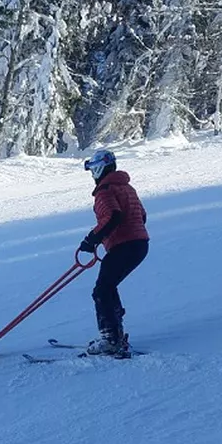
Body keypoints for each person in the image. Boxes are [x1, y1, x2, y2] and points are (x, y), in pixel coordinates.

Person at [77, 150, 149, 357]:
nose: (92, 175)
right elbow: (141, 216)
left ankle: (110, 339)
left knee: (102, 290)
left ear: (99, 169)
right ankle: (115, 333)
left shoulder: (105, 191)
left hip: (125, 246)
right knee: (107, 287)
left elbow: (112, 217)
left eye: (92, 170)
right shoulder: (126, 187)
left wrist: (92, 241)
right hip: (139, 244)